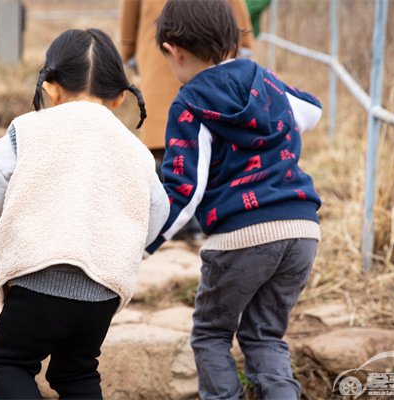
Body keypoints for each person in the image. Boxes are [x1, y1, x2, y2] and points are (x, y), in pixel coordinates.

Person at [0, 28, 169, 399]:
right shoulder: (137, 150)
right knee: (76, 373)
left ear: (51, 86)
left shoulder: (26, 132)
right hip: (102, 290)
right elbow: (157, 210)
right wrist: (120, 248)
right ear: (120, 98)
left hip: (37, 280)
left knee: (7, 365)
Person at [146, 1, 323, 399]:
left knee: (211, 334)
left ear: (175, 51)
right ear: (231, 40)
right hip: (301, 229)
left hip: (241, 237)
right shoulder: (265, 80)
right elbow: (311, 111)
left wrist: (146, 242)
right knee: (264, 334)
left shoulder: (190, 103)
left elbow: (185, 193)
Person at [119, 0, 254, 241]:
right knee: (211, 127)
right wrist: (243, 43)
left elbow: (131, 8)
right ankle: (196, 214)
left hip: (161, 42)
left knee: (163, 129)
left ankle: (173, 214)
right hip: (208, 42)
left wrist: (128, 47)